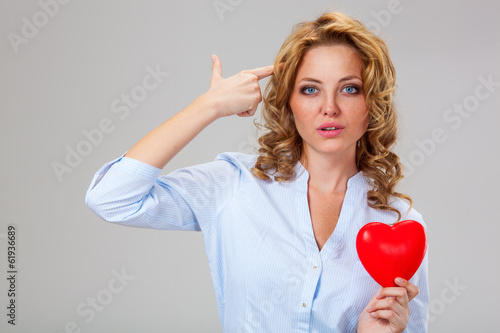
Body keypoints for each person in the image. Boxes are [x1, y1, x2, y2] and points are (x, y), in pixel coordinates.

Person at [85, 11, 429, 333]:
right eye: (310, 89)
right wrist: (210, 106)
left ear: (373, 101)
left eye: (349, 88)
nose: (330, 107)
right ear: (288, 102)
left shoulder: (401, 223)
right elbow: (111, 197)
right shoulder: (234, 183)